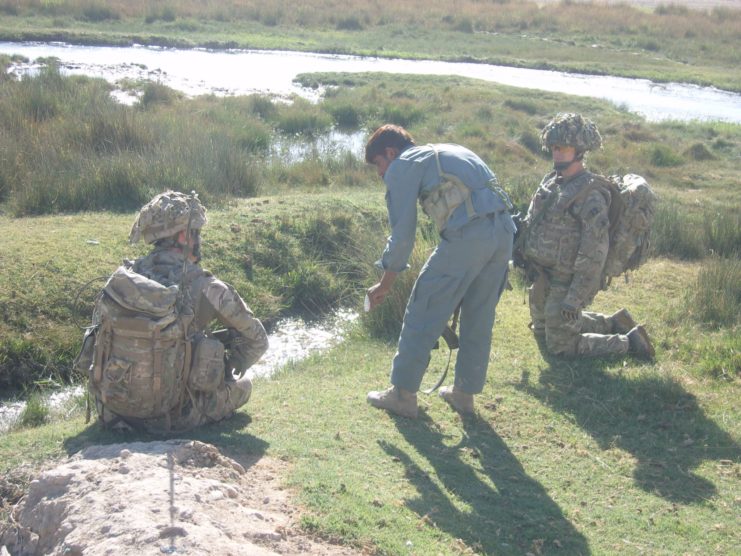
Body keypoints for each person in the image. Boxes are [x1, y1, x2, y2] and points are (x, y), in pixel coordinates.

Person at [80, 191, 268, 432]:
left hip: (114, 414)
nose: (199, 239)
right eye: (197, 232)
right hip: (177, 417)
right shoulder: (207, 287)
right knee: (245, 386)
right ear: (184, 235)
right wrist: (233, 362)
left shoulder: (122, 281)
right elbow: (259, 340)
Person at [364, 124, 515, 418]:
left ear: (391, 153)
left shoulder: (403, 164)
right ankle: (464, 395)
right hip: (505, 234)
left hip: (468, 236)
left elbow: (403, 235)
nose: (381, 174)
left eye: (379, 165)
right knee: (479, 315)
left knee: (424, 306)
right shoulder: (452, 150)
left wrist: (385, 283)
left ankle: (403, 395)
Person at [518, 113, 654, 359]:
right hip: (542, 277)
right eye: (554, 147)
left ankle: (629, 342)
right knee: (541, 331)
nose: (556, 153)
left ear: (579, 150)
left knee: (561, 346)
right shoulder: (551, 182)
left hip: (566, 280)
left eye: (563, 148)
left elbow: (595, 252)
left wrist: (575, 298)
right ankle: (613, 321)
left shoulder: (590, 194)